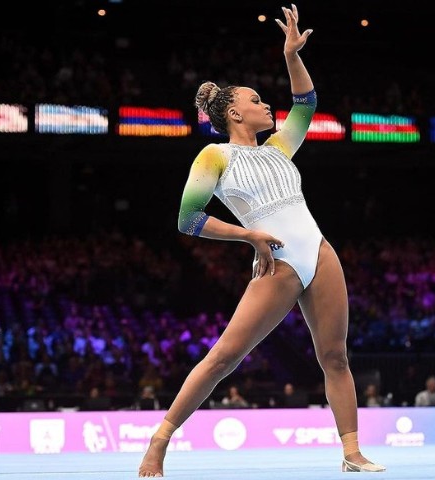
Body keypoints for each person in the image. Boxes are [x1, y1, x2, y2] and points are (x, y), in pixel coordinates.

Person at [138, 5, 384, 476]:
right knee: (224, 358)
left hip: (319, 252)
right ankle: (160, 439)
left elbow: (306, 103)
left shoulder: (279, 148)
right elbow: (189, 219)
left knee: (335, 355)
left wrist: (292, 55)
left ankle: (352, 453)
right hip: (279, 261)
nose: (267, 105)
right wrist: (249, 236)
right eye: (256, 100)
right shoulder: (214, 155)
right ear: (234, 112)